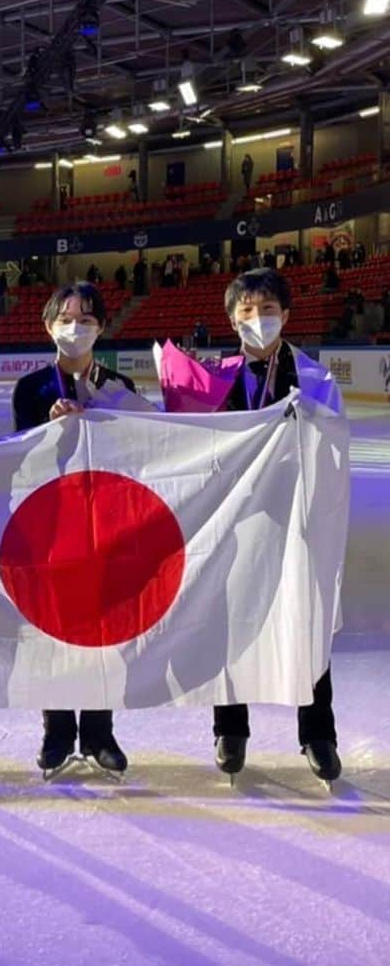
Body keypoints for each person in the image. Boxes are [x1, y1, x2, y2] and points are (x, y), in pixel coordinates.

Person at [213, 268, 342, 784]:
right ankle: (230, 728)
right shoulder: (216, 377)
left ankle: (318, 734)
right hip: (235, 524)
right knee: (229, 625)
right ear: (231, 319)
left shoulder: (314, 378)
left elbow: (334, 450)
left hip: (297, 523)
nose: (257, 319)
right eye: (246, 311)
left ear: (286, 316)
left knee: (306, 622)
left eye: (267, 310)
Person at [11, 282, 140, 778]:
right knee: (55, 633)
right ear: (48, 327)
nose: (75, 328)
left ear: (101, 327)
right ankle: (58, 731)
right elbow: (19, 458)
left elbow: (136, 452)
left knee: (106, 632)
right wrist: (49, 428)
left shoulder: (120, 387)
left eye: (86, 320)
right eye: (65, 320)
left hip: (107, 525)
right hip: (51, 526)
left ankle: (100, 732)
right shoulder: (31, 388)